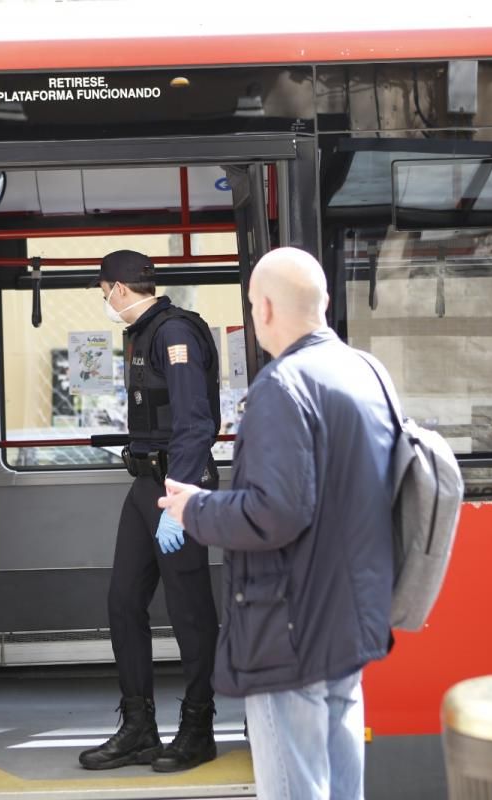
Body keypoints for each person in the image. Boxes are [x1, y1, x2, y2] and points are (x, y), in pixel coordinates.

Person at [159, 246, 397, 800]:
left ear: (262, 308)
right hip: (350, 620)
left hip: (289, 629)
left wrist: (192, 507)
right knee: (341, 787)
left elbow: (276, 513)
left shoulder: (282, 388)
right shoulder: (367, 372)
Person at [78, 249, 222, 773]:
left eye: (103, 294)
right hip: (145, 486)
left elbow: (194, 423)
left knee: (189, 610)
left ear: (116, 289)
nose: (105, 303)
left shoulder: (173, 333)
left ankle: (198, 726)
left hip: (176, 487)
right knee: (122, 602)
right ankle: (139, 726)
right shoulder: (144, 333)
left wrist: (178, 499)